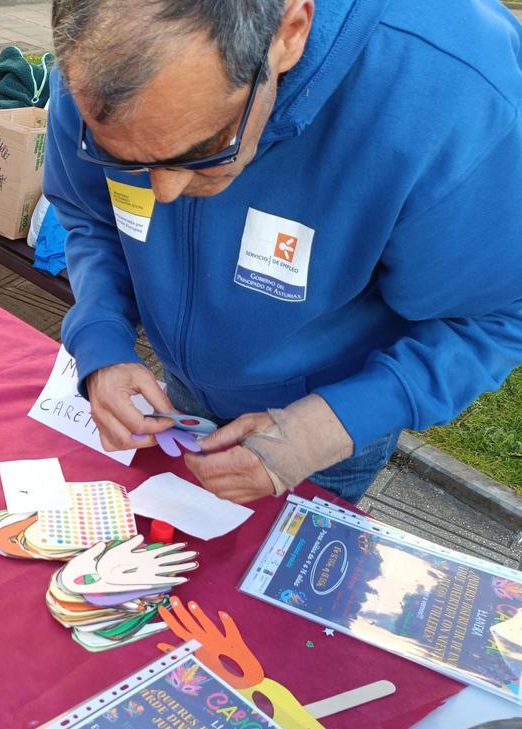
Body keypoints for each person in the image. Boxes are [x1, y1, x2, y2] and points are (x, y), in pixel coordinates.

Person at [44, 0, 522, 504]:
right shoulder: (94, 46)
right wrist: (101, 338)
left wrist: (328, 426)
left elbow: (496, 315)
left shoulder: (453, 91)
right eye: (124, 158)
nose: (165, 190)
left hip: (329, 414)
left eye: (205, 149)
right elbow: (93, 217)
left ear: (291, 32)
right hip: (183, 393)